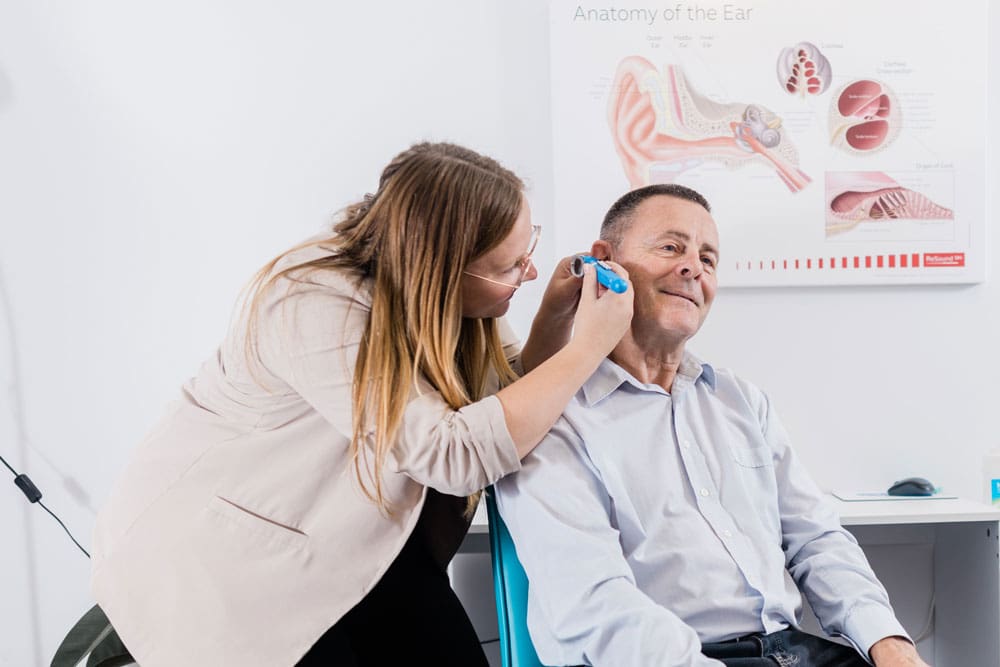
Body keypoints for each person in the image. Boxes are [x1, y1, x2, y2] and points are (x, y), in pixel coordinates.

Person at [89, 142, 633, 667]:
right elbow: (453, 454)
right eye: (510, 265)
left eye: (528, 253)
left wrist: (556, 321)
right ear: (441, 265)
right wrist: (590, 347)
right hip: (232, 565)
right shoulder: (309, 302)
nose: (529, 274)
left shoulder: (446, 293)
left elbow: (504, 403)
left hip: (358, 542)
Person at [495, 184, 930, 666]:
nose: (693, 268)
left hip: (792, 650)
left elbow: (816, 540)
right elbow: (593, 602)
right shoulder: (549, 417)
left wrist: (888, 642)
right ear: (603, 261)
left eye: (708, 258)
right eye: (670, 247)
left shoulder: (740, 401)